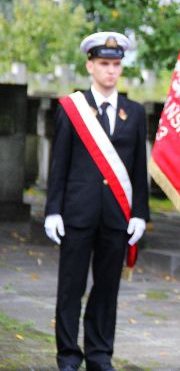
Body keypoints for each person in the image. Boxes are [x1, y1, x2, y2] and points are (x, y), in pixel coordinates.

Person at [44, 31, 150, 371]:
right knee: (70, 288)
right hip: (77, 212)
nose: (110, 71)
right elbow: (59, 162)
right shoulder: (72, 109)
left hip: (116, 215)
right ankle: (67, 356)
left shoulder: (133, 112)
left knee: (107, 290)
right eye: (104, 63)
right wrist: (53, 210)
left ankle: (100, 354)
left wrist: (140, 214)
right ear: (90, 65)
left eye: (116, 64)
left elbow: (138, 167)